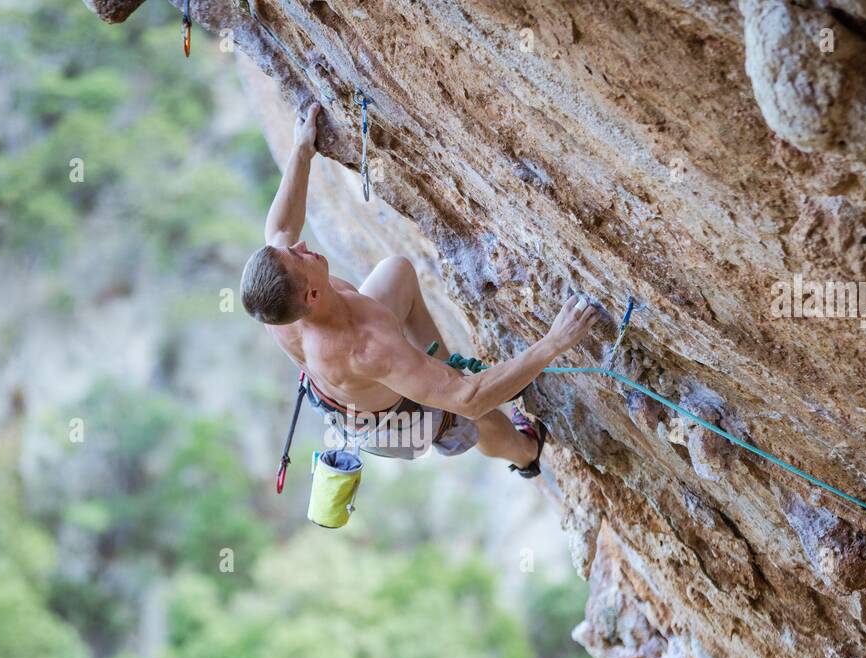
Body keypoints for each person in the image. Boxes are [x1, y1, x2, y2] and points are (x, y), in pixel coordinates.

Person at [241, 102, 605, 476]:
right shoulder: (368, 348)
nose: (301, 246)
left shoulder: (275, 302)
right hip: (393, 422)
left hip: (344, 390)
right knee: (475, 416)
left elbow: (280, 228)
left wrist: (303, 150)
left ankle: (443, 368)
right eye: (298, 257)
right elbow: (469, 399)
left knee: (396, 272)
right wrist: (554, 342)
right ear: (311, 296)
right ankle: (527, 454)